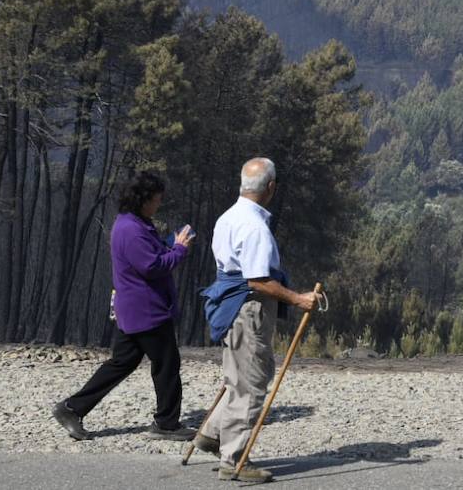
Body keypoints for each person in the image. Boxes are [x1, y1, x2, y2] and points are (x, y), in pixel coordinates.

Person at [193, 157, 319, 484]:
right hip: (249, 308)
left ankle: (212, 433)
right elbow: (258, 280)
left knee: (237, 377)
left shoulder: (228, 217)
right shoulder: (255, 227)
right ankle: (234, 459)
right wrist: (298, 298)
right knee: (252, 382)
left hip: (231, 307)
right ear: (271, 187)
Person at [52, 171, 197, 441]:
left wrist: (168, 246)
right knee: (167, 364)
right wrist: (179, 250)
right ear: (144, 199)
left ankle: (72, 408)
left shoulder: (133, 223)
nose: (159, 204)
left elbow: (149, 258)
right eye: (156, 199)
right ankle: (166, 424)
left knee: (122, 362)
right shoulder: (132, 229)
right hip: (147, 309)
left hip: (134, 308)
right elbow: (151, 267)